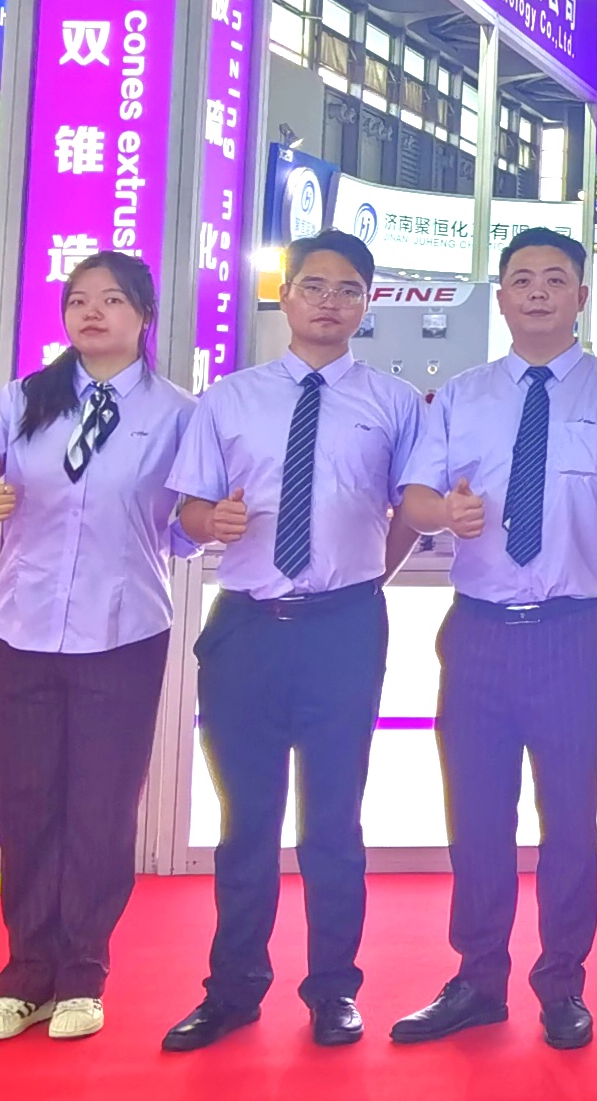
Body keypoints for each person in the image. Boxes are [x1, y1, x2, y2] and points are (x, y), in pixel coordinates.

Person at [163, 231, 433, 1053]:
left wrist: (363, 581)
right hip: (247, 627)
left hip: (344, 630)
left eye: (348, 289)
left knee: (333, 822)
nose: (329, 302)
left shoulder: (394, 403)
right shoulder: (228, 399)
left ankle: (333, 989)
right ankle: (232, 990)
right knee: (245, 820)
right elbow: (185, 512)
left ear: (367, 304)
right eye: (314, 285)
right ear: (285, 294)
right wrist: (210, 520)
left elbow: (411, 511)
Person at [394, 229, 597, 1052]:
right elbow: (413, 497)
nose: (537, 291)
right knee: (476, 813)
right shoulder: (461, 395)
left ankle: (562, 982)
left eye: (554, 278)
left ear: (580, 295)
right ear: (501, 296)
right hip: (477, 630)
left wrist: (593, 528)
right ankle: (477, 978)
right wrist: (446, 513)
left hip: (573, 631)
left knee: (569, 815)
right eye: (521, 279)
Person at [0, 252, 191, 1045]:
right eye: (78, 300)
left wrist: (207, 523)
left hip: (123, 631)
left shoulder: (178, 414)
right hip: (21, 627)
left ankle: (83, 974)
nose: (92, 313)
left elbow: (185, 523)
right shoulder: (23, 400)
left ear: (144, 315)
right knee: (28, 805)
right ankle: (23, 979)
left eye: (112, 300)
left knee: (101, 811)